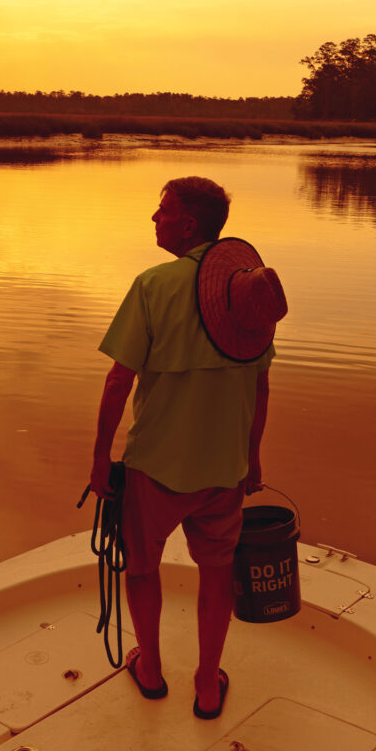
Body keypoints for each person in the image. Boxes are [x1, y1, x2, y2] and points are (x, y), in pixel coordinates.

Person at [89, 176, 286, 719]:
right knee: (216, 573)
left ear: (189, 224)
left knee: (143, 569)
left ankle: (149, 669)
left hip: (156, 466)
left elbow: (116, 382)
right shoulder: (247, 295)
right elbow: (260, 386)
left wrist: (100, 459)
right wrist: (253, 457)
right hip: (224, 468)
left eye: (162, 211)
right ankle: (205, 684)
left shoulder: (153, 285)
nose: (154, 218)